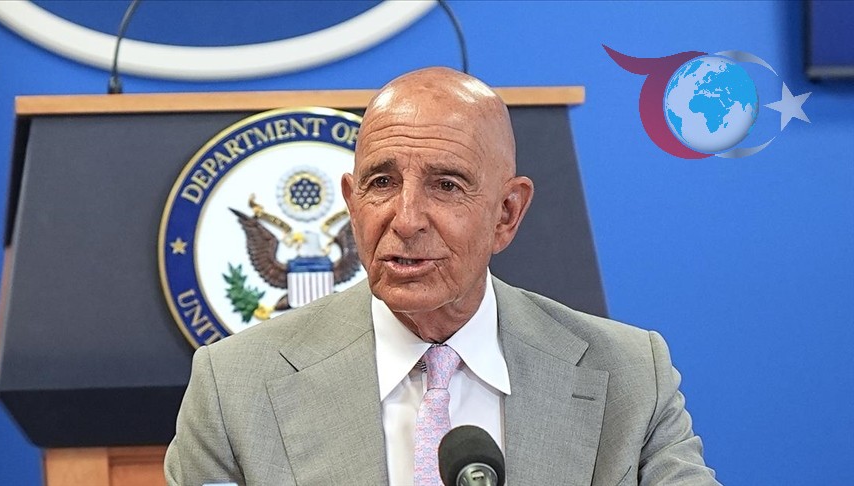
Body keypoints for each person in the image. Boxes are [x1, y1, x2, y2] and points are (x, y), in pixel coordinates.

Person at [165, 67, 719, 485]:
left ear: (506, 214)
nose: (405, 219)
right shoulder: (234, 387)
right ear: (352, 204)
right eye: (382, 182)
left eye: (446, 185)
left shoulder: (629, 377)